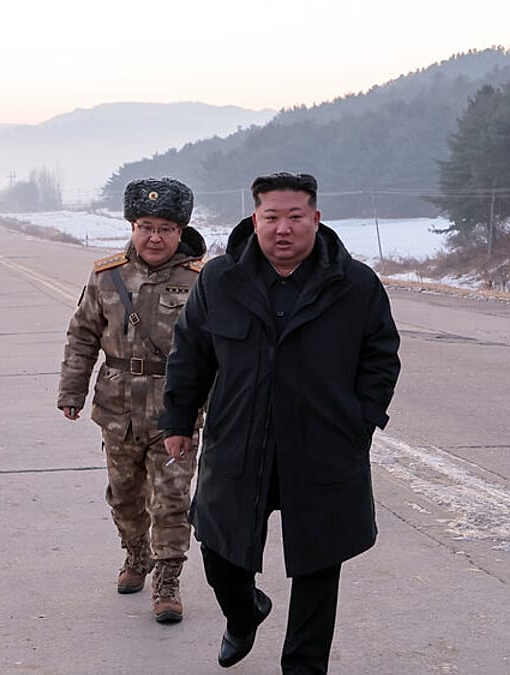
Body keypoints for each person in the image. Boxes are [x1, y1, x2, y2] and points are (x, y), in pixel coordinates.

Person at [160, 172, 400, 673]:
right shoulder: (221, 279)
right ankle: (243, 611)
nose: (283, 228)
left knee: (319, 563)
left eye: (295, 216)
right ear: (255, 219)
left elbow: (381, 355)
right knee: (218, 546)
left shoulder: (354, 284)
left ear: (316, 218)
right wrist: (178, 419)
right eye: (272, 217)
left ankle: (304, 667)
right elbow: (191, 353)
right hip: (238, 439)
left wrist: (361, 422)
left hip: (322, 446)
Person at [57, 176, 206, 624]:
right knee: (124, 497)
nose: (154, 237)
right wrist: (72, 390)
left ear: (180, 231)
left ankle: (168, 579)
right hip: (118, 407)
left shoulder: (201, 281)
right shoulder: (107, 275)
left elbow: (219, 349)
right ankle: (136, 553)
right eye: (145, 227)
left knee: (172, 500)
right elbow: (82, 336)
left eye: (165, 229)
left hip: (176, 409)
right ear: (132, 227)